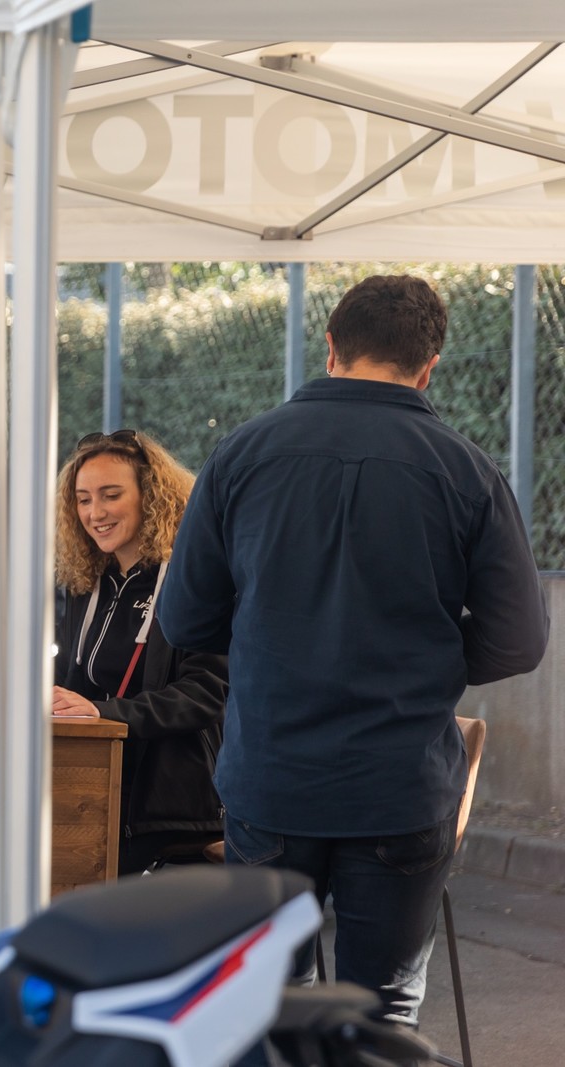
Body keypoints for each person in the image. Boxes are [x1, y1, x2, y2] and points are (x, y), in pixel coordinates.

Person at [157, 275, 549, 1028]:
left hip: (271, 778)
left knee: (267, 1004)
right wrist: (427, 662)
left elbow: (184, 619)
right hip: (398, 785)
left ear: (330, 346)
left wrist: (274, 640)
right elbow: (520, 637)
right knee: (380, 1012)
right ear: (429, 365)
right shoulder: (466, 469)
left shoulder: (241, 454)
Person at [0, 430, 227, 875]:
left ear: (151, 497)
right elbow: (66, 684)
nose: (96, 513)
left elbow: (207, 693)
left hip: (168, 808)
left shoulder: (192, 578)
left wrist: (104, 714)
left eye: (111, 495)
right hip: (89, 791)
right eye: (83, 499)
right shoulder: (87, 583)